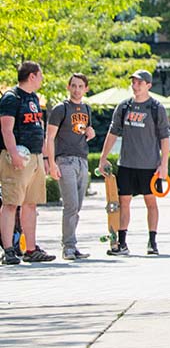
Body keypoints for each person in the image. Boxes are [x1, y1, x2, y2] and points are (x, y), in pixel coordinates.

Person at [97, 69, 170, 256]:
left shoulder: (156, 108)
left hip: (149, 165)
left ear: (148, 85)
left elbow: (164, 138)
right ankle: (122, 243)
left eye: (139, 82)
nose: (135, 85)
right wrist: (103, 157)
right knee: (124, 202)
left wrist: (164, 165)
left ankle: (152, 242)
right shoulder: (124, 107)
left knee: (151, 203)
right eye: (134, 82)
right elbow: (113, 133)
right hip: (127, 164)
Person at [0, 61, 55, 264]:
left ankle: (30, 249)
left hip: (35, 156)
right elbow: (6, 129)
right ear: (32, 76)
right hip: (17, 157)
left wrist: (46, 157)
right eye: (40, 75)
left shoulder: (33, 98)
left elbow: (38, 129)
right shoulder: (11, 97)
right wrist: (13, 153)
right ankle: (8, 250)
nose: (41, 79)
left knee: (30, 204)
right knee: (11, 203)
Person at [45, 73, 97, 260]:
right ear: (68, 87)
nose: (76, 89)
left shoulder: (87, 109)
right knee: (70, 205)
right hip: (64, 160)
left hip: (82, 160)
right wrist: (51, 163)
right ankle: (68, 247)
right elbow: (50, 137)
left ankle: (72, 245)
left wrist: (90, 132)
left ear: (86, 89)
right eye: (73, 85)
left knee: (77, 207)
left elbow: (86, 131)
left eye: (80, 86)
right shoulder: (61, 109)